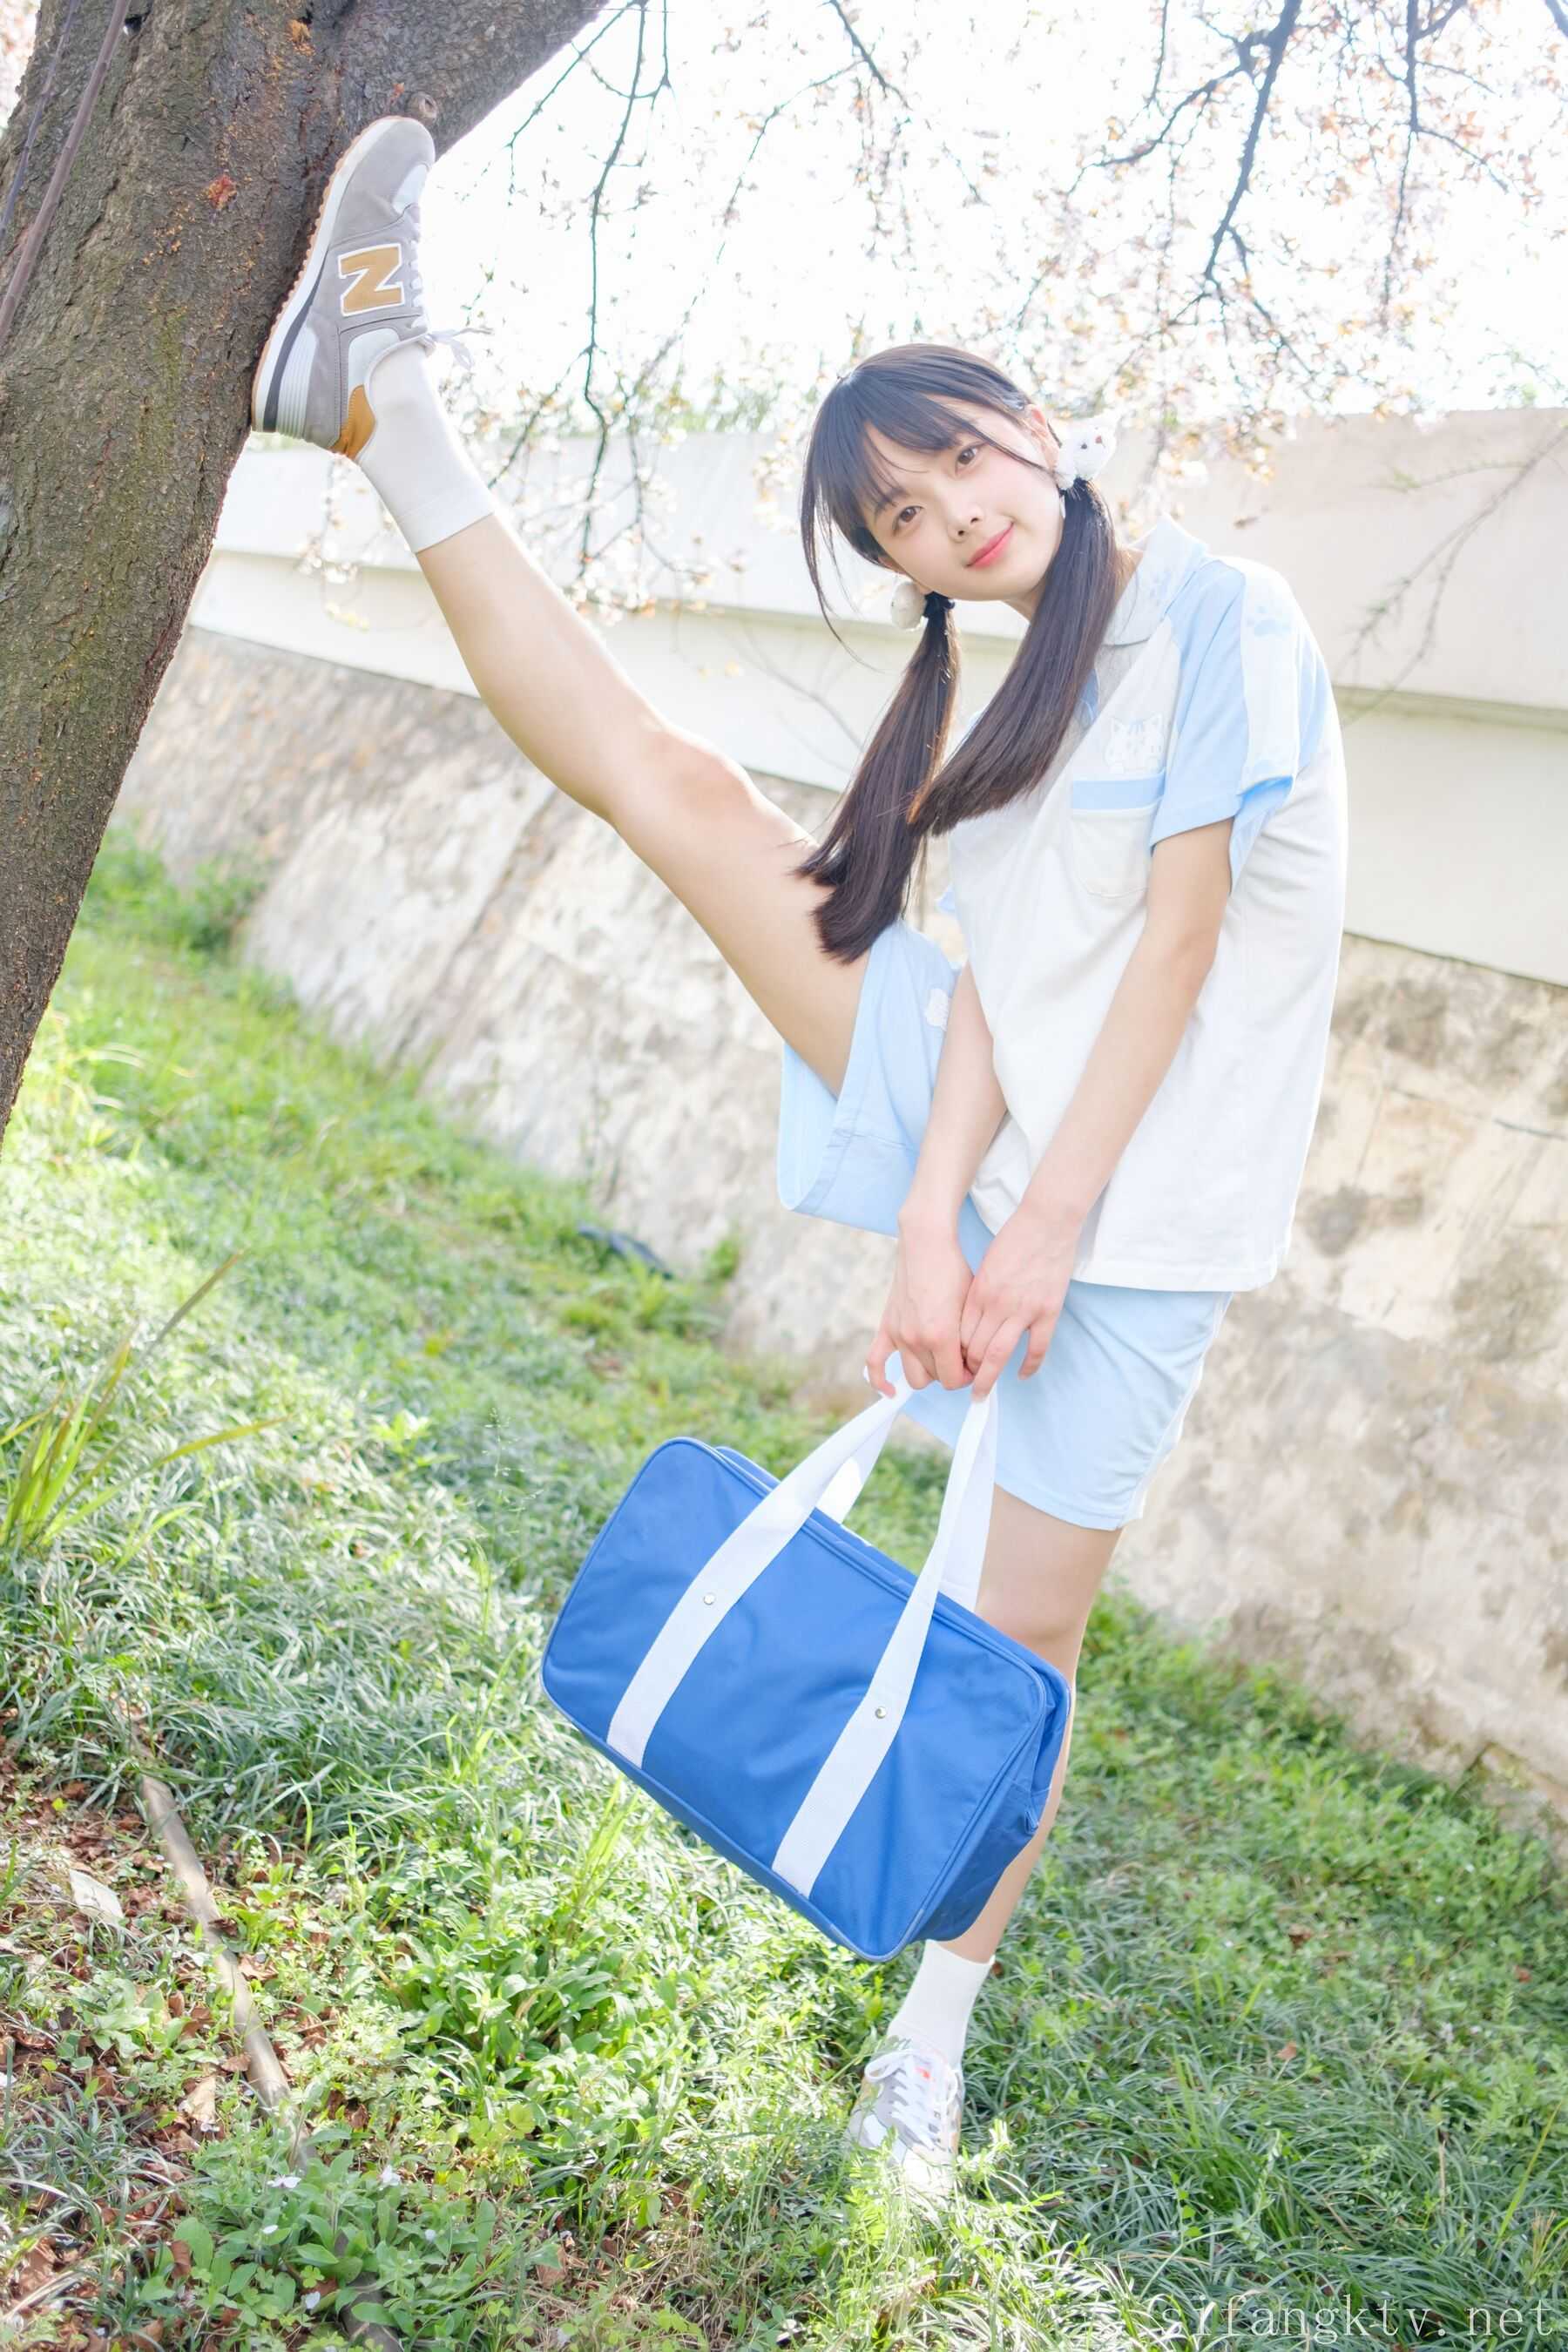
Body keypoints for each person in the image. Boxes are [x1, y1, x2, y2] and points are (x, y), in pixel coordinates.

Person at [252, 115, 1348, 2209]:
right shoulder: (1012, 700)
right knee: (670, 785)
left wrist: (1040, 1232)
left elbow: (1183, 950)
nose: (955, 519)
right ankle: (383, 403)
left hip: (1141, 1223)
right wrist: (935, 1220)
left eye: (961, 465)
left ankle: (927, 2044)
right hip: (985, 1125)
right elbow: (1000, 994)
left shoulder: (1229, 613)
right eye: (906, 519)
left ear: (1038, 432)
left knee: (1017, 1654)